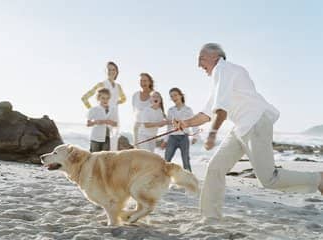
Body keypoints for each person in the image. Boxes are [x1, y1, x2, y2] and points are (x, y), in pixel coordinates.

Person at [175, 43, 323, 222]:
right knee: (215, 168)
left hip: (255, 122)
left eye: (201, 59)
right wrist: (186, 123)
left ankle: (319, 178)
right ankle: (210, 216)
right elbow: (207, 114)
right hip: (241, 127)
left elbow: (220, 111)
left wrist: (212, 134)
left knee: (269, 179)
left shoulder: (223, 69)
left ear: (216, 56)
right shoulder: (220, 79)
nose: (199, 65)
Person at [81, 61, 126, 150]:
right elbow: (84, 98)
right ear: (106, 71)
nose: (111, 72)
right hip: (101, 119)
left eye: (113, 69)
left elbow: (124, 99)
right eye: (109, 70)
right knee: (98, 148)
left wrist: (116, 103)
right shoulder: (101, 84)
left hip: (113, 117)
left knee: (112, 148)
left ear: (117, 72)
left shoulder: (118, 86)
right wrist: (94, 110)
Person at [161, 88, 199, 172]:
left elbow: (193, 122)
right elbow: (169, 127)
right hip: (172, 138)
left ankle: (189, 180)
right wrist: (165, 140)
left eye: (175, 95)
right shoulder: (170, 110)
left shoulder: (188, 110)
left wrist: (195, 136)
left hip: (184, 137)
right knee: (166, 160)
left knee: (186, 160)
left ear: (181, 95)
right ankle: (163, 180)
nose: (174, 98)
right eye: (171, 96)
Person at [86, 88, 118, 152]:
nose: (105, 100)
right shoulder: (94, 109)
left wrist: (110, 122)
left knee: (105, 158)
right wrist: (95, 122)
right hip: (95, 138)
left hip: (107, 138)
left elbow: (116, 124)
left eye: (107, 98)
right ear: (98, 98)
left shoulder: (113, 109)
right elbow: (88, 124)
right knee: (94, 157)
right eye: (103, 98)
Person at [132, 73, 154, 145]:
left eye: (145, 81)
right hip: (137, 127)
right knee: (137, 152)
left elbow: (159, 111)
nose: (143, 83)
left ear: (150, 82)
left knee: (148, 153)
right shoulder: (135, 95)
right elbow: (134, 111)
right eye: (141, 81)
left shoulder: (154, 95)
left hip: (149, 128)